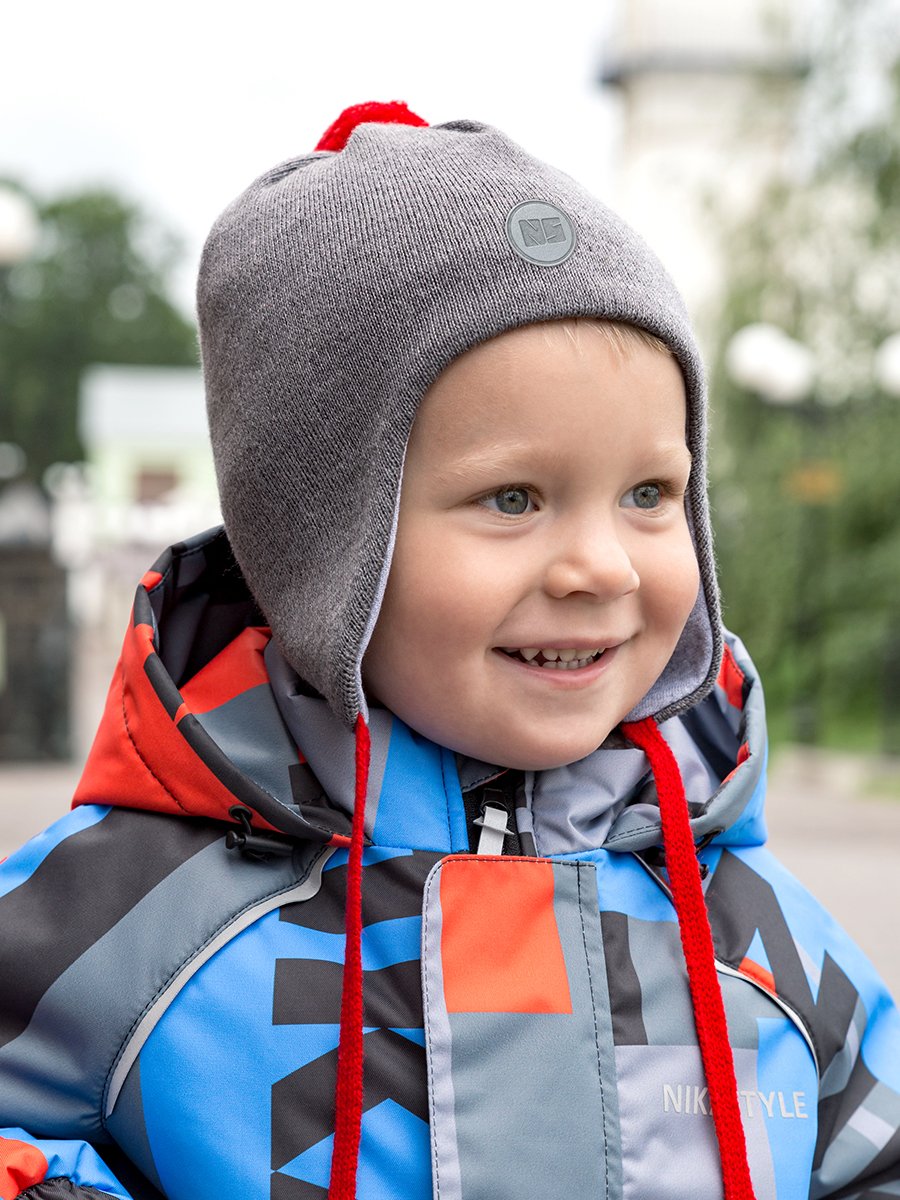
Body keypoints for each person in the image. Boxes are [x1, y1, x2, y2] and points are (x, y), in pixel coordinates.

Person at [1, 100, 898, 1200]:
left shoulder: (751, 930)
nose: (603, 567)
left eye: (649, 495)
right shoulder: (126, 915)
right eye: (513, 498)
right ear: (321, 545)